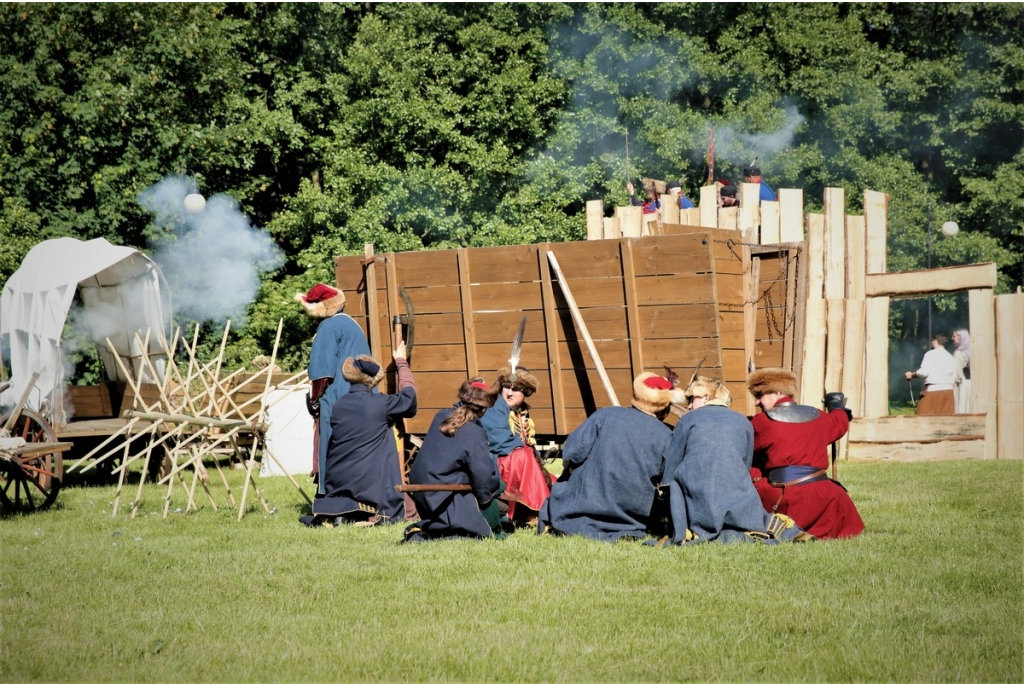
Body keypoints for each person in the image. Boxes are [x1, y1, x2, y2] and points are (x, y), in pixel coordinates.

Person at [661, 375, 811, 545]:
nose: (689, 405)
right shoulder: (743, 421)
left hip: (697, 496)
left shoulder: (688, 419)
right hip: (739, 497)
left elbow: (670, 470)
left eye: (691, 399)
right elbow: (745, 466)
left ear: (705, 397)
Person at [538, 372, 683, 542]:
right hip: (630, 516)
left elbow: (572, 453)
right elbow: (666, 481)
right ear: (665, 406)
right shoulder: (667, 435)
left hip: (579, 507)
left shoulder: (605, 415)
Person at [746, 369, 864, 539]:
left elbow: (747, 448)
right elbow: (839, 422)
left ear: (777, 392)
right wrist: (837, 405)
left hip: (787, 498)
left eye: (760, 395)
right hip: (826, 498)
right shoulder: (818, 415)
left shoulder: (762, 422)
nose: (757, 402)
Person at [310, 344, 417, 526]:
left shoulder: (339, 406)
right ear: (373, 380)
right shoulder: (380, 404)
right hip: (368, 484)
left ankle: (345, 512)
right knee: (411, 510)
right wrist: (401, 362)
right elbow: (410, 398)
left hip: (339, 483)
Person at [403, 378, 503, 542]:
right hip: (443, 491)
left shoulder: (441, 415)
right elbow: (483, 476)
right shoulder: (474, 431)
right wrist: (490, 493)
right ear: (484, 409)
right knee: (475, 530)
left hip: (421, 488)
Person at [296, 283, 371, 494]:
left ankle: (330, 497)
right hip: (361, 397)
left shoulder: (328, 327)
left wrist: (315, 400)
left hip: (338, 398)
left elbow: (322, 373)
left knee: (330, 445)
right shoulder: (352, 325)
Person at [480, 365, 552, 526]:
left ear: (526, 392)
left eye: (516, 389)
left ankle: (533, 510)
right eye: (506, 387)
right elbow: (500, 441)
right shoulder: (494, 405)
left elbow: (527, 442)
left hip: (514, 460)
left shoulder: (521, 410)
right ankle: (531, 511)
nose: (510, 392)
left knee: (552, 479)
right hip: (493, 461)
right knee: (522, 455)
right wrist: (527, 452)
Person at [904, 333, 958, 415]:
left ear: (935, 340)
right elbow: (954, 376)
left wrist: (911, 375)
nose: (931, 342)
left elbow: (923, 372)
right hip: (948, 392)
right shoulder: (951, 357)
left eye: (932, 340)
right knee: (945, 422)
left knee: (923, 419)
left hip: (933, 391)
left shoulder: (930, 354)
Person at [952, 328, 972, 414]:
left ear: (961, 337)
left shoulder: (958, 354)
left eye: (954, 336)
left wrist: (954, 387)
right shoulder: (972, 352)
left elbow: (957, 374)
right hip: (972, 385)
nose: (952, 338)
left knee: (962, 409)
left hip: (963, 386)